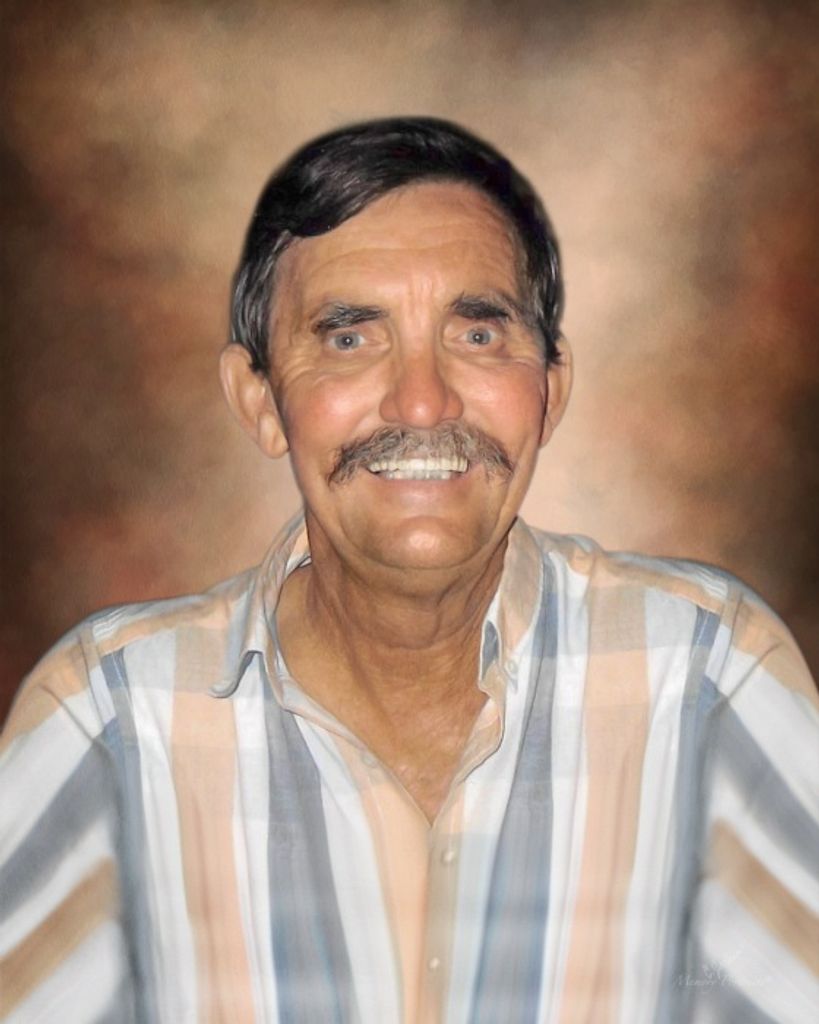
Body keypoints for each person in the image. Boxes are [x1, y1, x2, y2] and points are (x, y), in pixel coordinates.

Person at [1, 117, 817, 1024]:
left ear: (551, 390)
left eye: (477, 335)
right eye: (350, 339)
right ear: (260, 400)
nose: (422, 402)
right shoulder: (105, 723)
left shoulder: (710, 679)